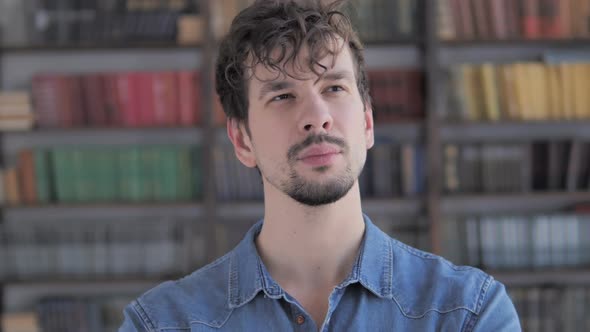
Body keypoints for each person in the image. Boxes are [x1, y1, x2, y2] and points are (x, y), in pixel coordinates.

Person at [119, 0, 521, 331]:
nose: (317, 116)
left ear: (366, 122)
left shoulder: (470, 313)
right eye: (282, 96)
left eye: (333, 88)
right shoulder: (160, 324)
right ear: (242, 140)